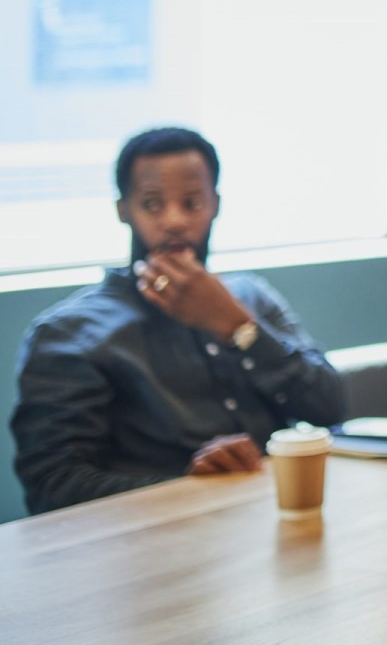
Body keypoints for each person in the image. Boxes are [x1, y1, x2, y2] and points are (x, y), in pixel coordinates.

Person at [11, 127, 348, 514]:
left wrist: (240, 328)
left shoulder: (252, 298)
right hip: (151, 549)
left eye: (192, 202)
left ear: (215, 204)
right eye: (152, 204)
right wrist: (188, 486)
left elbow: (330, 408)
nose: (174, 221)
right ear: (124, 210)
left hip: (275, 518)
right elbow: (52, 486)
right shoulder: (69, 333)